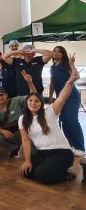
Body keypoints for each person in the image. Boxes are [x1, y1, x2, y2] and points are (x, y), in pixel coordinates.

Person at [19, 55, 79, 184]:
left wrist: (70, 81)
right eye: (30, 101)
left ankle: (65, 174)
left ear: (41, 104)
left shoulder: (49, 112)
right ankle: (52, 170)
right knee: (26, 172)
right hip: (42, 153)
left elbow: (62, 98)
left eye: (37, 101)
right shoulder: (23, 119)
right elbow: (25, 140)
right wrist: (27, 160)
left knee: (42, 176)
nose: (33, 103)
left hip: (62, 152)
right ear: (26, 102)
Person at [0, 71, 37, 158]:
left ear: (6, 95)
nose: (0, 97)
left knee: (34, 154)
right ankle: (15, 147)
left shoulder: (16, 100)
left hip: (25, 130)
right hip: (10, 133)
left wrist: (30, 83)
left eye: (2, 95)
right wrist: (2, 131)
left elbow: (33, 97)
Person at [49, 46, 85, 156]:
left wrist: (72, 63)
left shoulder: (66, 64)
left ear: (63, 54)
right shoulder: (52, 67)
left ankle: (80, 147)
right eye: (54, 51)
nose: (56, 53)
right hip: (60, 97)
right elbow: (52, 83)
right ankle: (71, 145)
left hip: (71, 96)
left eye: (59, 51)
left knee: (72, 121)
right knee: (64, 122)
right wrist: (50, 97)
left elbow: (76, 75)